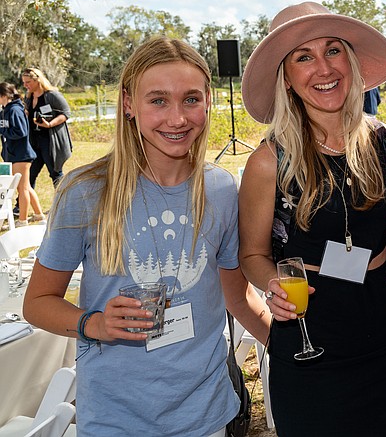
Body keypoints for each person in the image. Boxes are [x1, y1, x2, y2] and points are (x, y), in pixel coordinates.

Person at [23, 37, 271, 437]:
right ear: (128, 103)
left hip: (206, 413)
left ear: (208, 101)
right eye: (158, 100)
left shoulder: (221, 189)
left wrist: (290, 351)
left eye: (191, 99)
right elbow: (36, 303)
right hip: (116, 417)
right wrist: (95, 324)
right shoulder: (86, 191)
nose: (177, 119)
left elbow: (236, 294)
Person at [238, 1, 386, 436]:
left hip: (382, 334)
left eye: (333, 50)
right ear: (287, 79)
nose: (322, 67)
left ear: (350, 62)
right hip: (311, 339)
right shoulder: (270, 161)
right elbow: (252, 254)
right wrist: (272, 284)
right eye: (303, 57)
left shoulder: (385, 143)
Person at [0, 82, 45, 226]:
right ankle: (39, 215)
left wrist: (3, 131)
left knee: (22, 188)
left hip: (21, 155)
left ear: (4, 96)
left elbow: (21, 132)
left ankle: (22, 220)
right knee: (25, 186)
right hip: (13, 154)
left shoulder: (15, 110)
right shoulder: (6, 109)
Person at [21, 67, 73, 189]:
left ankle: (62, 204)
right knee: (30, 174)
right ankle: (20, 206)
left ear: (37, 80)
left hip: (49, 141)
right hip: (33, 141)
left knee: (55, 174)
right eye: (23, 82)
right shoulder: (28, 97)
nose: (25, 85)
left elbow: (65, 113)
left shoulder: (52, 95)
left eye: (28, 82)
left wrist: (49, 124)